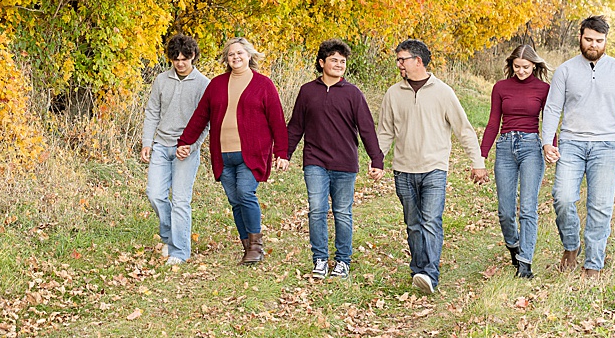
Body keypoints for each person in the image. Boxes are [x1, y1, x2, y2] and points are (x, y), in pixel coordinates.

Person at [376, 39, 486, 294]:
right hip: (403, 169)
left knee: (431, 221)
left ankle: (430, 274)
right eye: (398, 60)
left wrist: (477, 162)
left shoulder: (443, 92)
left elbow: (464, 130)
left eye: (402, 59)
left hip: (434, 168)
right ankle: (418, 270)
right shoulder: (393, 93)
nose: (399, 64)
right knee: (413, 223)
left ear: (418, 61)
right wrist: (377, 161)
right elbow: (385, 132)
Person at [541, 15, 615, 279]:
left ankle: (593, 264)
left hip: (606, 145)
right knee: (562, 197)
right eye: (589, 39)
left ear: (606, 40)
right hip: (571, 143)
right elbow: (552, 108)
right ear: (580, 38)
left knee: (600, 205)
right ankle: (571, 246)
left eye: (599, 40)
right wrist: (546, 141)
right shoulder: (565, 70)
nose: (593, 45)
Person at [178, 37, 289, 265]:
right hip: (223, 154)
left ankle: (256, 247)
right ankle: (247, 246)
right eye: (231, 54)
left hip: (252, 153)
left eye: (240, 53)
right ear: (226, 59)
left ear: (249, 55)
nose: (235, 57)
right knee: (235, 200)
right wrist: (185, 141)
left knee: (246, 194)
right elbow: (200, 116)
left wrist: (282, 152)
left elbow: (277, 120)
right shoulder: (217, 85)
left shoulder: (263, 85)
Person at [286, 39, 385, 280]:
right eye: (334, 60)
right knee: (317, 210)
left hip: (345, 163)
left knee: (342, 212)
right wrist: (285, 154)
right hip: (315, 160)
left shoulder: (353, 93)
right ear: (322, 63)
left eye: (342, 61)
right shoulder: (307, 91)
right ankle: (319, 259)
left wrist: (377, 159)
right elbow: (296, 126)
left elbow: (366, 129)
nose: (339, 64)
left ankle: (342, 261)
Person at [480, 44, 551, 279]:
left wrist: (551, 146)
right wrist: (482, 155)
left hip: (531, 147)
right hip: (505, 147)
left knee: (528, 209)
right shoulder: (500, 87)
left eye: (526, 67)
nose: (521, 71)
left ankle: (525, 262)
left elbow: (548, 121)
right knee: (505, 211)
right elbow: (493, 122)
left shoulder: (543, 88)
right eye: (517, 66)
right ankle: (514, 246)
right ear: (511, 65)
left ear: (534, 65)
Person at [141, 34, 210, 266]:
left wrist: (192, 146)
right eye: (176, 59)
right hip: (161, 145)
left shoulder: (204, 84)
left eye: (185, 58)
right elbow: (152, 111)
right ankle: (170, 235)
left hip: (186, 149)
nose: (180, 63)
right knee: (155, 194)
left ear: (193, 57)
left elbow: (206, 121)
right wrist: (147, 142)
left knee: (181, 200)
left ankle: (179, 251)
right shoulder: (161, 80)